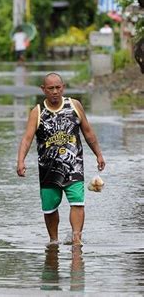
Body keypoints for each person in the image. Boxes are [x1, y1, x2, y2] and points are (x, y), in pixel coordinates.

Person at [16, 73, 105, 247]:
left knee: (77, 203)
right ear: (43, 90)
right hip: (48, 169)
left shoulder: (74, 105)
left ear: (63, 87)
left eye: (58, 87)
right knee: (50, 208)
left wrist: (98, 154)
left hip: (74, 166)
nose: (55, 92)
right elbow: (27, 139)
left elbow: (88, 132)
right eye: (51, 88)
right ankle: (54, 241)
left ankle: (76, 239)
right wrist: (21, 161)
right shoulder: (37, 112)